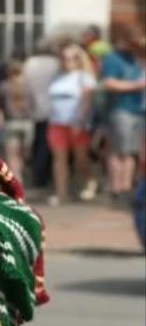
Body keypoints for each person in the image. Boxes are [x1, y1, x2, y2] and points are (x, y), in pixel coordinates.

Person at [100, 24, 146, 203]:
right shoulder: (113, 59)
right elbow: (110, 83)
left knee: (131, 151)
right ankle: (117, 188)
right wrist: (137, 85)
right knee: (120, 151)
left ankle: (126, 188)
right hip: (121, 109)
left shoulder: (135, 57)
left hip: (136, 109)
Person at [46, 44, 97, 206]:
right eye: (64, 58)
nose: (67, 61)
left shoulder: (85, 77)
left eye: (72, 58)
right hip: (57, 123)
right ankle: (62, 193)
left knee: (81, 158)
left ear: (79, 59)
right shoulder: (57, 77)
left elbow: (87, 101)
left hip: (76, 124)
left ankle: (90, 180)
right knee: (59, 159)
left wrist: (80, 121)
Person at [23, 36, 62, 188]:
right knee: (47, 146)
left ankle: (37, 176)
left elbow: (26, 87)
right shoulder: (55, 63)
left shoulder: (29, 63)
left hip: (35, 109)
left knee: (38, 143)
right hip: (53, 109)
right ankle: (43, 178)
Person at [0, 58, 34, 182]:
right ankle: (21, 175)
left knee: (12, 155)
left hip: (11, 122)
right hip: (27, 122)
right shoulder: (28, 86)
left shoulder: (4, 86)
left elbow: (0, 105)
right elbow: (33, 104)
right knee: (23, 154)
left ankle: (17, 179)